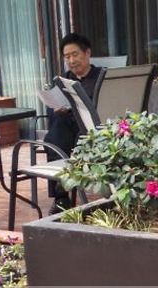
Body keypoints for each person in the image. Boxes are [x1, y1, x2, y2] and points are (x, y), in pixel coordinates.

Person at [44, 33, 102, 214]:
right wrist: (56, 108)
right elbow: (51, 109)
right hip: (67, 128)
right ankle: (61, 197)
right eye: (67, 57)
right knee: (56, 132)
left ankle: (68, 190)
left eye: (75, 54)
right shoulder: (63, 80)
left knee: (69, 135)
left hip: (93, 129)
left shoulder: (101, 77)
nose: (71, 61)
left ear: (87, 53)